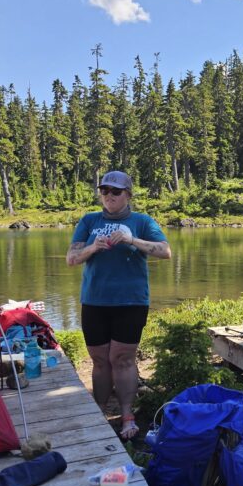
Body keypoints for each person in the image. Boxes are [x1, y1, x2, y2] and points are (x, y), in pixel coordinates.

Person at [66, 171, 172, 440]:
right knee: (100, 361)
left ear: (128, 195)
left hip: (131, 302)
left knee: (122, 359)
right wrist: (92, 248)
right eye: (105, 191)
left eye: (116, 192)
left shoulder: (142, 221)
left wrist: (131, 240)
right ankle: (99, 412)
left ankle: (127, 414)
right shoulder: (89, 221)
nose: (109, 196)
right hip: (94, 302)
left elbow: (165, 252)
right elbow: (72, 258)